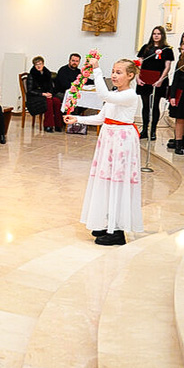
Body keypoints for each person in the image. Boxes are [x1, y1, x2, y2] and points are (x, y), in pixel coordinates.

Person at [64, 59, 142, 245]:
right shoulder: (116, 94)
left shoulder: (131, 95)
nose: (114, 75)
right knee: (106, 181)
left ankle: (118, 231)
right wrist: (77, 119)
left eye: (119, 72)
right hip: (109, 139)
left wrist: (97, 70)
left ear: (130, 76)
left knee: (118, 183)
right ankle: (108, 223)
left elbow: (104, 95)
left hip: (121, 140)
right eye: (113, 71)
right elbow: (102, 118)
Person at [136, 27, 174, 141]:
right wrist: (137, 77)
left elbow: (167, 66)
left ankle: (153, 130)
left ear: (162, 35)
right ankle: (144, 130)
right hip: (145, 79)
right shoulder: (146, 48)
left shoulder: (167, 49)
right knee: (145, 105)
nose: (156, 36)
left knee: (155, 105)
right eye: (154, 34)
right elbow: (138, 63)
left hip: (159, 80)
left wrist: (161, 80)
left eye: (158, 34)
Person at [26, 56, 62, 133]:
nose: (39, 66)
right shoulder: (31, 75)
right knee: (48, 101)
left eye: (40, 64)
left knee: (57, 101)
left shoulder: (47, 73)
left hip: (45, 94)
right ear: (34, 65)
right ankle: (48, 125)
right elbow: (30, 91)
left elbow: (51, 86)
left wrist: (50, 93)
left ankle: (58, 125)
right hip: (35, 96)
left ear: (43, 64)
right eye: (36, 64)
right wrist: (43, 94)